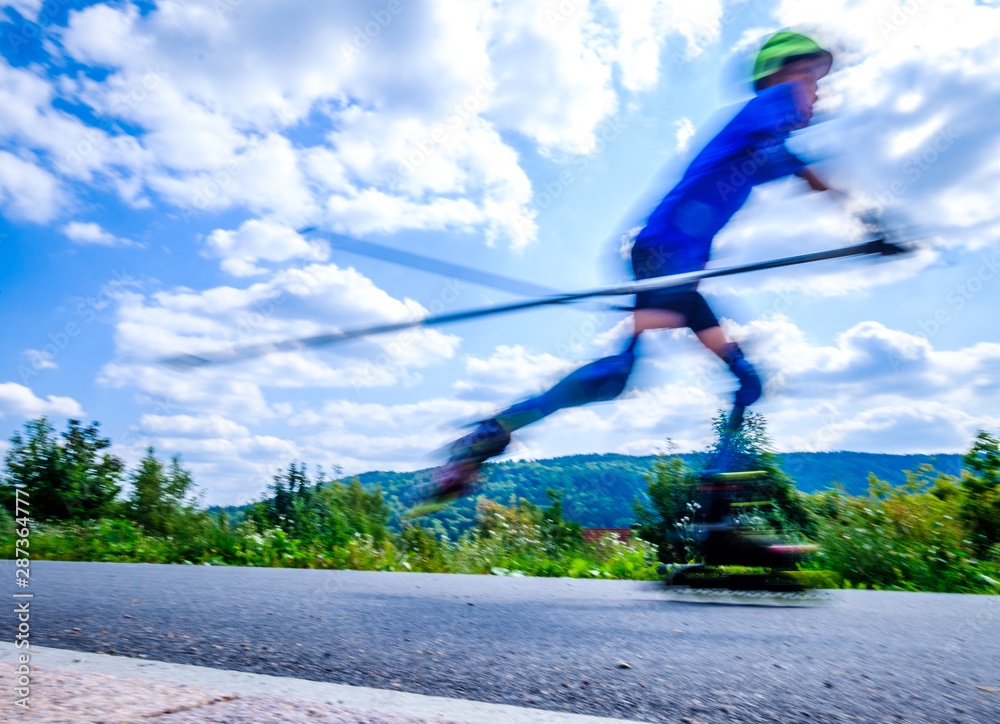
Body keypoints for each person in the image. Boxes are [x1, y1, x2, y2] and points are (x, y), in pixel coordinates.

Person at [428, 31, 843, 512]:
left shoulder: (761, 138)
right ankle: (716, 513)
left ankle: (487, 439)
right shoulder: (768, 106)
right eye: (812, 77)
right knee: (638, 373)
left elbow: (798, 171)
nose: (817, 92)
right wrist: (874, 224)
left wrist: (869, 222)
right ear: (781, 73)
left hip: (674, 262)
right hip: (667, 254)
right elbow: (796, 161)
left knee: (735, 379)